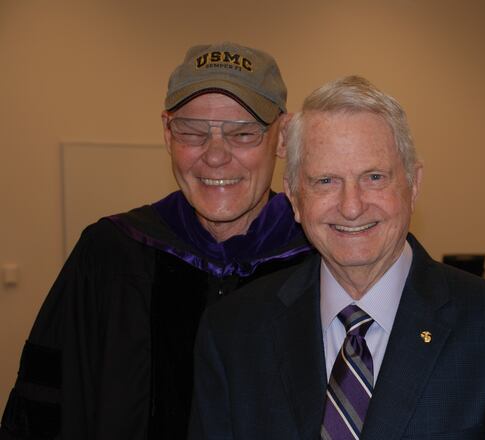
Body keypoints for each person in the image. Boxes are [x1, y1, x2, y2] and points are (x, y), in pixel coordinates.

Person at [189, 75, 485, 439]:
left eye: (375, 177)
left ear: (413, 185)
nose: (352, 207)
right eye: (326, 181)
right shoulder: (233, 334)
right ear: (294, 198)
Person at [0, 42, 312, 440]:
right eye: (192, 132)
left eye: (243, 134)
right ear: (167, 132)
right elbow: (43, 407)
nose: (215, 156)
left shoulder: (318, 261)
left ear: (283, 138)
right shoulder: (110, 255)